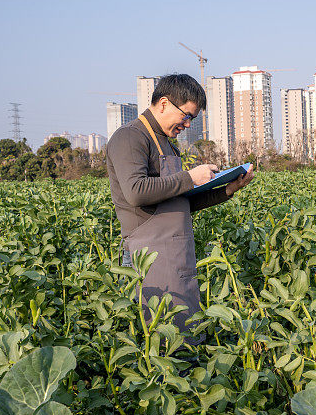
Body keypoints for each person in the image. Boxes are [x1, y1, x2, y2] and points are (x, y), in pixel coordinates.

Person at [105, 73, 254, 331]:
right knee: (160, 338)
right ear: (163, 104)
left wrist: (228, 188)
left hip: (175, 252)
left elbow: (181, 203)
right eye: (186, 116)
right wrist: (189, 177)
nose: (187, 124)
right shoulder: (129, 137)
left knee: (182, 336)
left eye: (192, 119)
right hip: (147, 256)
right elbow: (136, 191)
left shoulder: (167, 144)